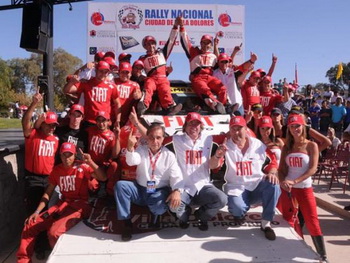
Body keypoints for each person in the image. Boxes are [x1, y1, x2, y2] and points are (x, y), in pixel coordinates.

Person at [16, 142, 107, 263]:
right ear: (60, 155)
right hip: (62, 206)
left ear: (74, 155)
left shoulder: (82, 167)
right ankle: (24, 260)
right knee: (30, 225)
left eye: (70, 155)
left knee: (54, 232)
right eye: (64, 155)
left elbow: (103, 177)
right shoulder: (57, 170)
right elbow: (47, 193)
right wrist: (37, 211)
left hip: (79, 206)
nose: (67, 158)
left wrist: (90, 162)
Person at [209, 116, 280, 241]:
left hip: (257, 185)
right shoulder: (225, 145)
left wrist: (272, 172)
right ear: (229, 131)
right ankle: (240, 212)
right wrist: (218, 155)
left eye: (239, 128)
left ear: (246, 128)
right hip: (236, 187)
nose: (236, 132)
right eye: (233, 129)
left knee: (273, 184)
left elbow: (273, 162)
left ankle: (266, 223)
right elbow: (214, 166)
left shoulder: (258, 145)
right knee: (237, 209)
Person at [114, 123, 183, 241]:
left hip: (158, 191)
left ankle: (156, 214)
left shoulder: (169, 155)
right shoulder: (141, 149)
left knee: (158, 205)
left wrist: (177, 190)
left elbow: (177, 176)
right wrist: (130, 148)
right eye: (151, 137)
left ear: (163, 139)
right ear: (147, 138)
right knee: (121, 186)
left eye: (158, 137)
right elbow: (132, 161)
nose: (155, 141)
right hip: (140, 190)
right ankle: (126, 223)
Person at [164, 112, 227, 230]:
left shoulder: (209, 139)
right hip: (183, 186)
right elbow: (154, 137)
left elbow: (230, 135)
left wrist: (247, 122)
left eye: (196, 123)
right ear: (185, 126)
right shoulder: (176, 139)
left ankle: (201, 216)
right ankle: (185, 214)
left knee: (222, 199)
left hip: (203, 185)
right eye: (190, 123)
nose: (193, 126)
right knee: (173, 206)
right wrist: (137, 123)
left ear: (201, 126)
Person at [278, 114, 328, 262]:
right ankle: (292, 249)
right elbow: (281, 170)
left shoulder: (311, 145)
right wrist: (283, 182)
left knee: (312, 221)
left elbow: (312, 169)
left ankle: (322, 256)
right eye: (292, 126)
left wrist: (295, 181)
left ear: (303, 127)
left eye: (297, 126)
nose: (295, 129)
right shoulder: (287, 146)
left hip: (304, 189)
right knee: (287, 220)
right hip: (288, 190)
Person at [22, 92, 60, 259]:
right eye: (49, 125)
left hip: (49, 180)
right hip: (33, 179)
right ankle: (34, 247)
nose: (52, 128)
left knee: (47, 214)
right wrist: (33, 104)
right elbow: (25, 121)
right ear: (42, 124)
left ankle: (45, 245)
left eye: (54, 126)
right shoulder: (33, 135)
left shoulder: (56, 140)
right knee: (33, 213)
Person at [178, 16, 242, 114]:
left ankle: (226, 106)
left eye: (208, 43)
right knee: (204, 89)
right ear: (200, 43)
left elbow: (224, 63)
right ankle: (215, 104)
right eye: (203, 43)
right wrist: (182, 26)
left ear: (210, 45)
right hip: (198, 78)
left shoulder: (213, 56)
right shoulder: (193, 52)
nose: (205, 45)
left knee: (222, 87)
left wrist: (233, 56)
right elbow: (185, 41)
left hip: (209, 78)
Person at [136, 19, 182, 116]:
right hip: (151, 78)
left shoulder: (162, 53)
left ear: (155, 44)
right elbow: (138, 71)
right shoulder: (142, 58)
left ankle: (170, 107)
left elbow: (171, 41)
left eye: (152, 43)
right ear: (144, 46)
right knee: (148, 86)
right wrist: (140, 76)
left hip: (162, 78)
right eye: (148, 44)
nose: (151, 45)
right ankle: (143, 106)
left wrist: (175, 26)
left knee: (165, 89)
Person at [64, 61, 121, 129]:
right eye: (101, 71)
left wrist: (118, 120)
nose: (103, 74)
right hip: (89, 122)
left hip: (105, 123)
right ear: (96, 70)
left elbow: (118, 104)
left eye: (105, 72)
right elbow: (66, 90)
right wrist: (71, 82)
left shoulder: (112, 86)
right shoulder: (87, 83)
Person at [114, 62, 142, 127]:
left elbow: (139, 94)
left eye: (127, 72)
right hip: (111, 117)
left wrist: (139, 95)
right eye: (122, 72)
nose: (124, 74)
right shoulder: (113, 81)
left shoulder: (135, 85)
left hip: (127, 119)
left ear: (131, 73)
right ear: (119, 72)